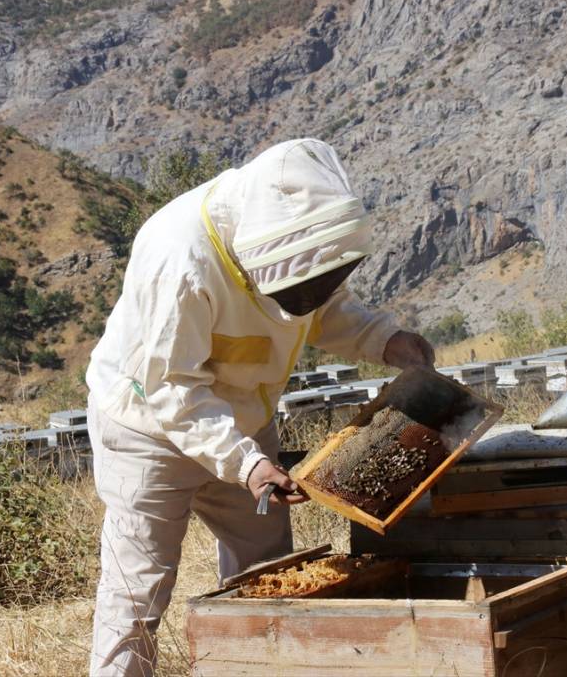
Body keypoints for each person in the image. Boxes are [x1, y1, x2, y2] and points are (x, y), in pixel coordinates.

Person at [85, 139, 434, 676]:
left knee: (271, 576)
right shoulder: (179, 257)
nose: (310, 289)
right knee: (136, 591)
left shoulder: (288, 243)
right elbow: (174, 388)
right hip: (148, 430)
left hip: (246, 422)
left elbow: (323, 305)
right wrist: (246, 464)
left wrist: (388, 341)